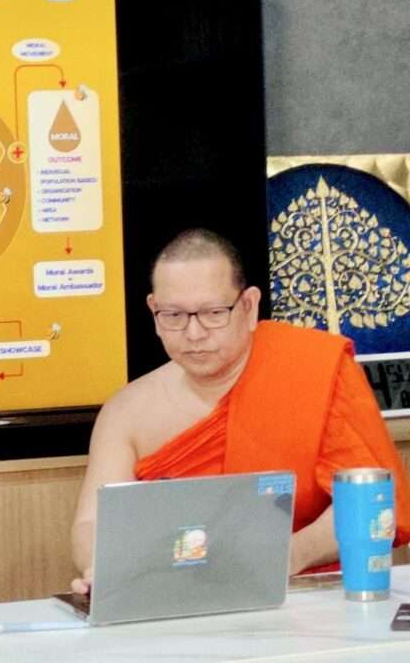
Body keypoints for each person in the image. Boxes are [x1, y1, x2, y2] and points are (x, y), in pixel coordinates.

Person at [69, 228, 410, 593]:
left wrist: (292, 553)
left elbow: (373, 500)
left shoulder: (314, 369)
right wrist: (100, 566)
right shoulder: (127, 411)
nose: (194, 333)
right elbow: (92, 522)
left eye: (214, 313)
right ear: (154, 312)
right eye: (174, 315)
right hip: (179, 597)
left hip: (310, 594)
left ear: (249, 306)